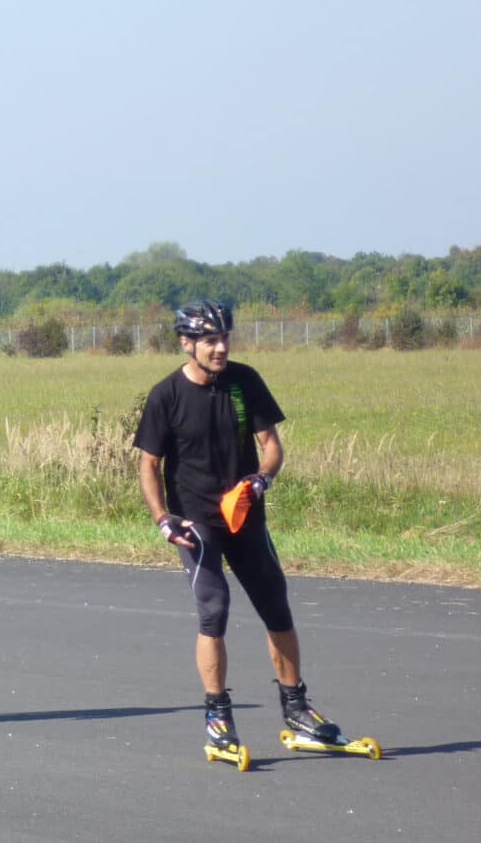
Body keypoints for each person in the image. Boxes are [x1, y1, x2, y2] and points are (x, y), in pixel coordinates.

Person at [134, 299, 341, 757]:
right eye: (210, 340)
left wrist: (261, 479)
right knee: (215, 610)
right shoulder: (166, 395)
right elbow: (148, 465)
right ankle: (217, 716)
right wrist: (163, 519)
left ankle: (296, 708)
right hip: (196, 522)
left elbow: (272, 446)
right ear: (187, 343)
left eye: (225, 337)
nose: (221, 347)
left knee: (275, 605)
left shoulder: (245, 382)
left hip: (244, 514)